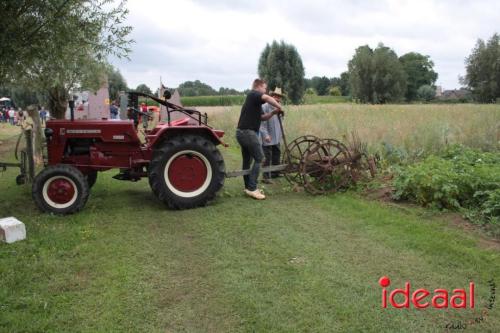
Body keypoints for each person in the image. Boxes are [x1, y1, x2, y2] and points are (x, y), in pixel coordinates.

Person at [236, 78, 283, 200]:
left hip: (242, 133)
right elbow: (267, 98)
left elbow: (262, 117)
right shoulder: (253, 94)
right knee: (260, 158)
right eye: (264, 88)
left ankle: (248, 187)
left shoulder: (255, 101)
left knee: (247, 161)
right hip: (247, 133)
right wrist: (280, 106)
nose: (265, 90)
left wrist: (273, 112)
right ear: (259, 86)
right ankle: (252, 188)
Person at [260, 87, 285, 184]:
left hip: (277, 136)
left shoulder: (279, 107)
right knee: (267, 156)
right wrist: (266, 135)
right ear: (272, 96)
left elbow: (281, 122)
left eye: (279, 97)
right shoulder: (265, 107)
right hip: (268, 137)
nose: (277, 99)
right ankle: (265, 177)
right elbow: (261, 124)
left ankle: (275, 172)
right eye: (276, 96)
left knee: (276, 154)